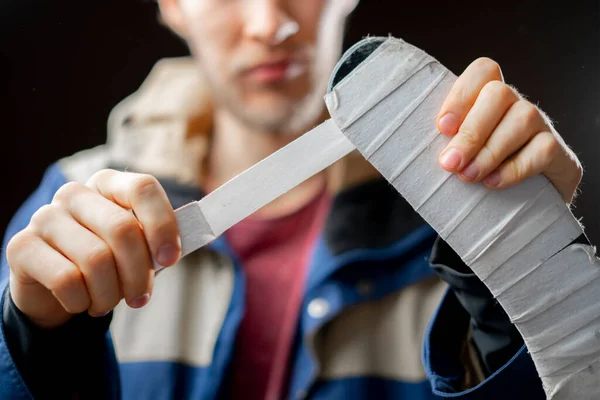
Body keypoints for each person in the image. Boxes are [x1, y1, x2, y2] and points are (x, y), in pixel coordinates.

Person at [0, 0, 585, 399]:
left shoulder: (462, 217)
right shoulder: (62, 213)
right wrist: (38, 346)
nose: (269, 23)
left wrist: (523, 272)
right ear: (173, 4)